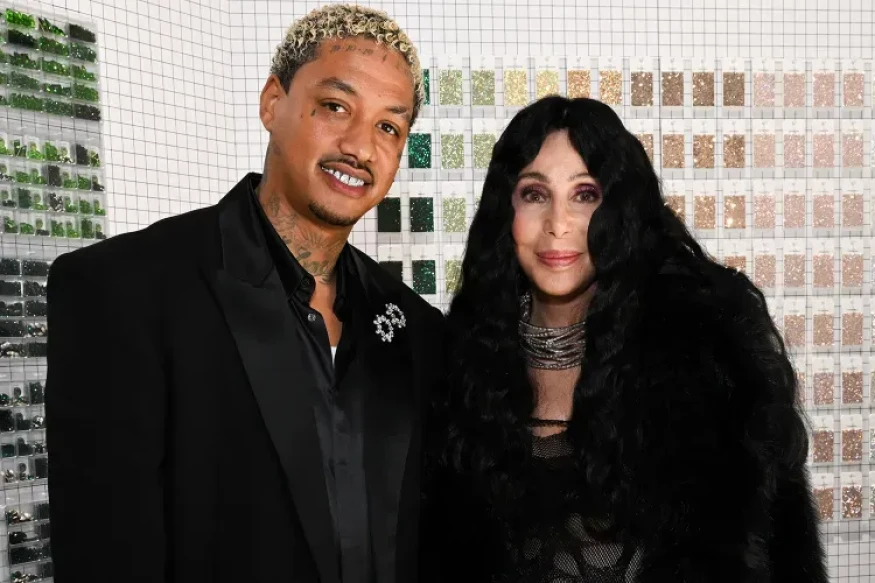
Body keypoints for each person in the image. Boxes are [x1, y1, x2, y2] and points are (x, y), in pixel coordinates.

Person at [46, 5, 442, 583]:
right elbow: (105, 554)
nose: (361, 147)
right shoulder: (125, 291)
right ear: (272, 103)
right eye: (336, 106)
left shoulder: (415, 326)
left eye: (389, 127)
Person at [421, 96, 828, 583]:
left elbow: (777, 554)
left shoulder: (709, 358)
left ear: (621, 208)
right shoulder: (460, 368)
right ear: (504, 212)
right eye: (534, 194)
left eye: (585, 194)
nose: (558, 224)